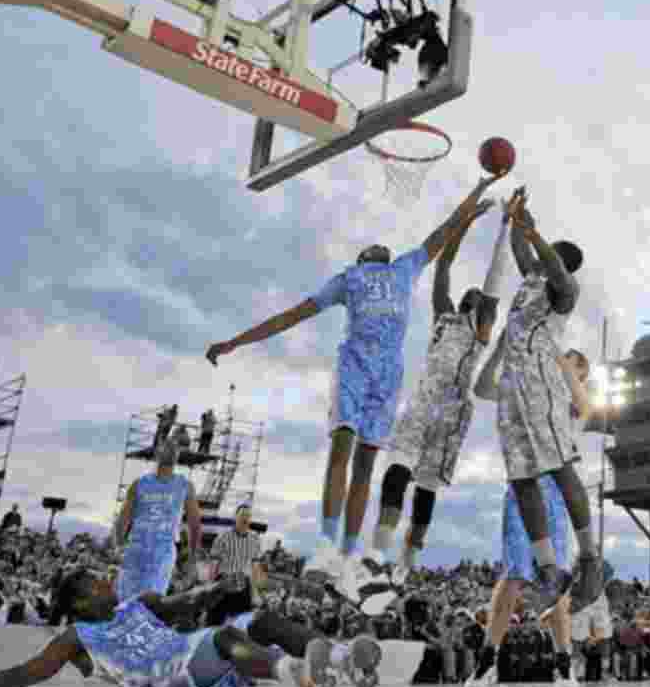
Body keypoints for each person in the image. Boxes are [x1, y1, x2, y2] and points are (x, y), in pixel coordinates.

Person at [206, 173, 506, 600]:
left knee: (367, 464)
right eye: (372, 247)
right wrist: (236, 342)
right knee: (342, 448)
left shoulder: (404, 268)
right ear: (364, 257)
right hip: (355, 367)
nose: (380, 245)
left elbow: (440, 238)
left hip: (389, 377)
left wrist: (474, 195)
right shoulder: (349, 279)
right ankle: (327, 543)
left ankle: (348, 555)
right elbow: (292, 315)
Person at [366, 197, 518, 586]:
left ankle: (406, 563)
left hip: (452, 412)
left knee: (426, 493)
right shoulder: (444, 316)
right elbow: (445, 265)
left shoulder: (482, 325)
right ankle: (377, 554)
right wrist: (465, 220)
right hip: (423, 402)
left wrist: (504, 227)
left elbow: (495, 278)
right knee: (397, 471)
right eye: (469, 294)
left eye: (477, 295)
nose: (473, 294)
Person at [0, 569, 378, 687]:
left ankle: (342, 661)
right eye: (96, 583)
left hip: (195, 656)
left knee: (260, 620)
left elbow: (186, 600)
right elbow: (28, 672)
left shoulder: (137, 603)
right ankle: (302, 675)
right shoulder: (77, 636)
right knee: (221, 636)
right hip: (167, 676)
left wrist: (219, 587)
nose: (107, 582)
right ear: (82, 603)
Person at [497, 195, 603, 614]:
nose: (537, 259)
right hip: (512, 387)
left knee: (560, 469)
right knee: (521, 480)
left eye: (545, 253)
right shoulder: (530, 283)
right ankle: (549, 570)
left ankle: (590, 559)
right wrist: (514, 221)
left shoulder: (564, 289)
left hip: (541, 386)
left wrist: (532, 232)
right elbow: (522, 254)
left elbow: (550, 264)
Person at [465, 348, 591, 687]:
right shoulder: (525, 395)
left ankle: (564, 665)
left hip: (554, 494)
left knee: (556, 582)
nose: (562, 366)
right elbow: (482, 389)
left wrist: (561, 367)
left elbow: (587, 407)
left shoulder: (569, 409)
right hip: (522, 489)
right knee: (514, 576)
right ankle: (487, 661)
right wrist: (500, 350)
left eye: (572, 365)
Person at [114, 437, 203, 601]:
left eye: (174, 447)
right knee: (125, 602)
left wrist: (192, 558)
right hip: (137, 548)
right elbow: (122, 520)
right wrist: (119, 546)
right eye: (166, 446)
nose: (170, 450)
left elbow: (195, 525)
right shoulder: (139, 484)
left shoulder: (185, 485)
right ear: (157, 453)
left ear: (177, 456)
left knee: (149, 604)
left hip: (162, 551)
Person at [205, 504, 265, 626]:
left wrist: (255, 592)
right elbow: (214, 563)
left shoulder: (255, 539)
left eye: (248, 516)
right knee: (213, 622)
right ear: (235, 517)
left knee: (240, 625)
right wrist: (209, 584)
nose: (245, 518)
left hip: (243, 585)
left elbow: (255, 567)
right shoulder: (223, 537)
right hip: (223, 583)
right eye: (242, 515)